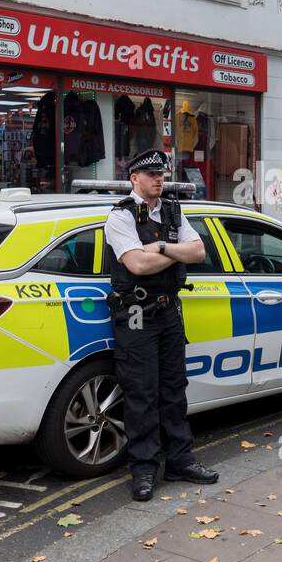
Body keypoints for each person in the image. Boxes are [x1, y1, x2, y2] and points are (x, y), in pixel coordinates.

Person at [103, 148, 217, 502]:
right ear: (134, 178)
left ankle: (180, 461)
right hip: (136, 314)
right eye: (151, 174)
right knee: (141, 394)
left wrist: (161, 246)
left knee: (173, 390)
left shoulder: (172, 209)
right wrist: (170, 252)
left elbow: (198, 253)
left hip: (169, 312)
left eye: (162, 174)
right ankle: (143, 470)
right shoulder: (120, 217)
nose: (158, 179)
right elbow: (136, 265)